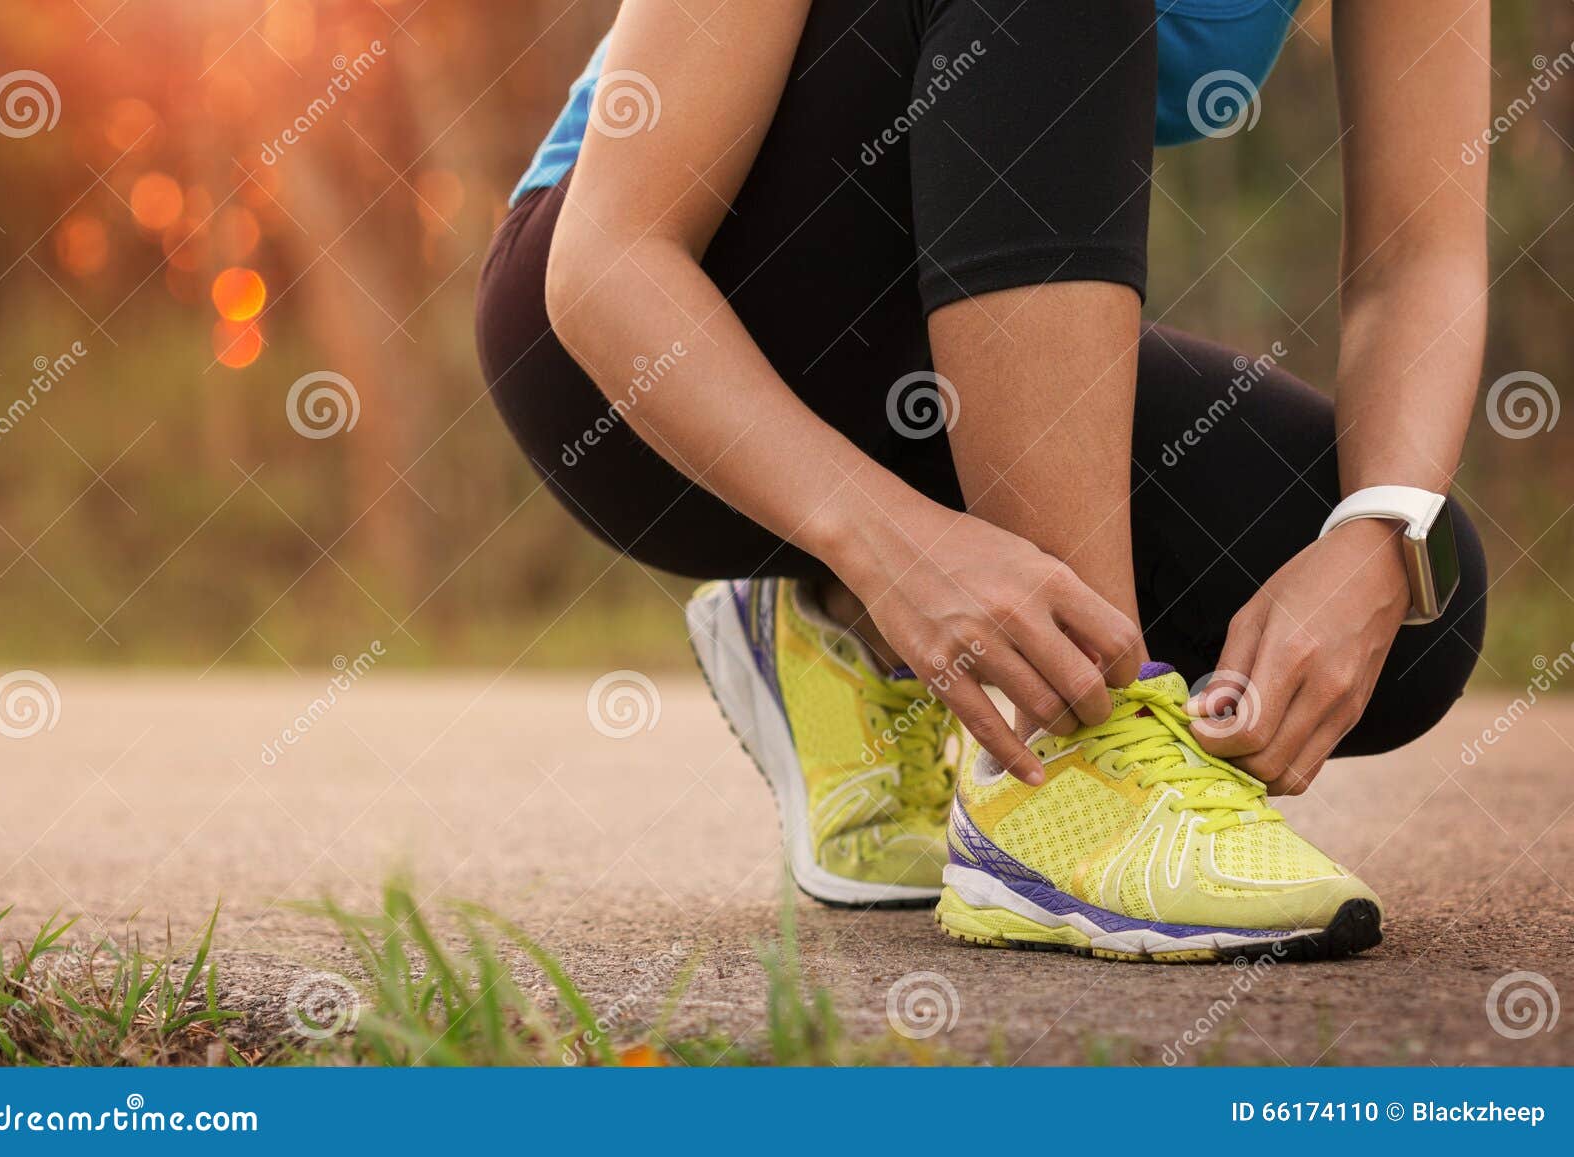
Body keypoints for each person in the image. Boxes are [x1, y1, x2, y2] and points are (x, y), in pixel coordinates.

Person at [476, 0, 1490, 962]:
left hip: (945, 350)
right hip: (640, 357)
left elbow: (1419, 256)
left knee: (1411, 621)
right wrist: (885, 543)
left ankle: (835, 635)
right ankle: (1065, 767)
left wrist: (1379, 531)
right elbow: (608, 261)